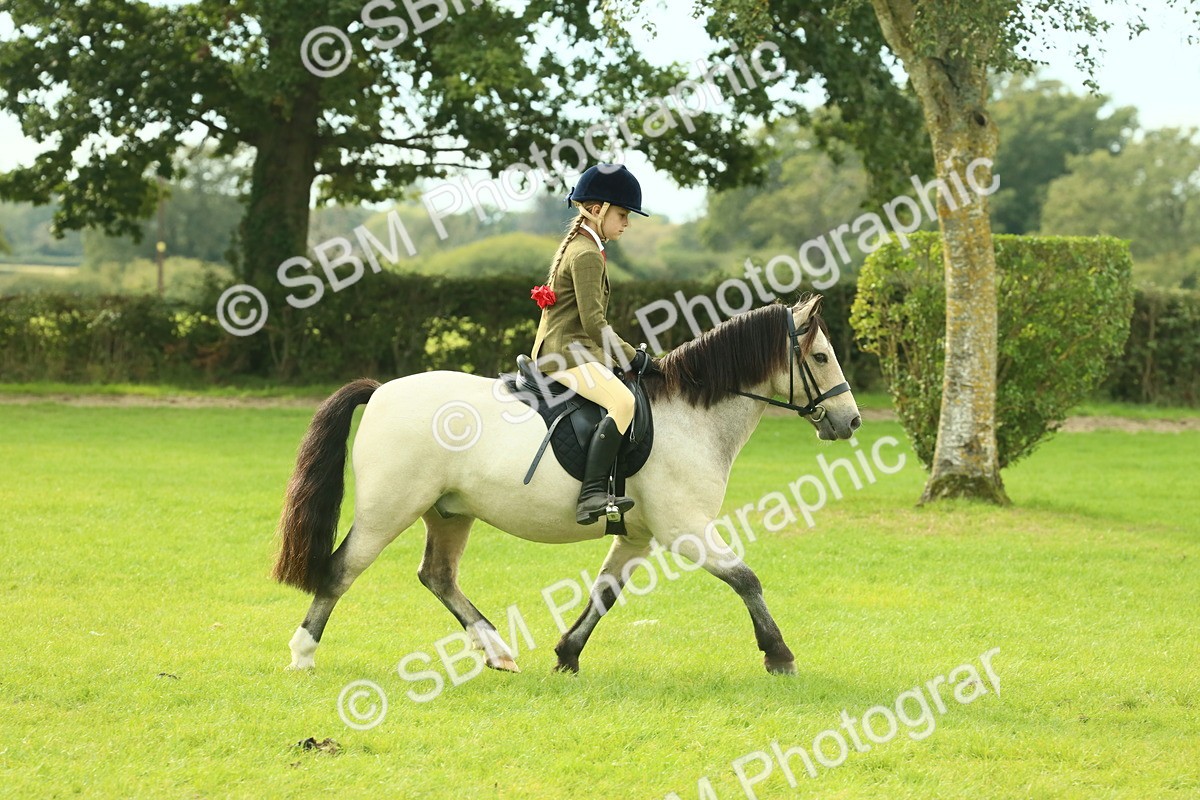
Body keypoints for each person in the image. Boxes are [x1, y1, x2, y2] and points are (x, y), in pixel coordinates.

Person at [530, 164, 653, 526]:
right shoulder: (585, 254)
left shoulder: (586, 245)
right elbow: (594, 323)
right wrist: (635, 357)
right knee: (623, 401)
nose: (626, 222)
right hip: (566, 353)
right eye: (622, 214)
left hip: (570, 347)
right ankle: (592, 493)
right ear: (596, 209)